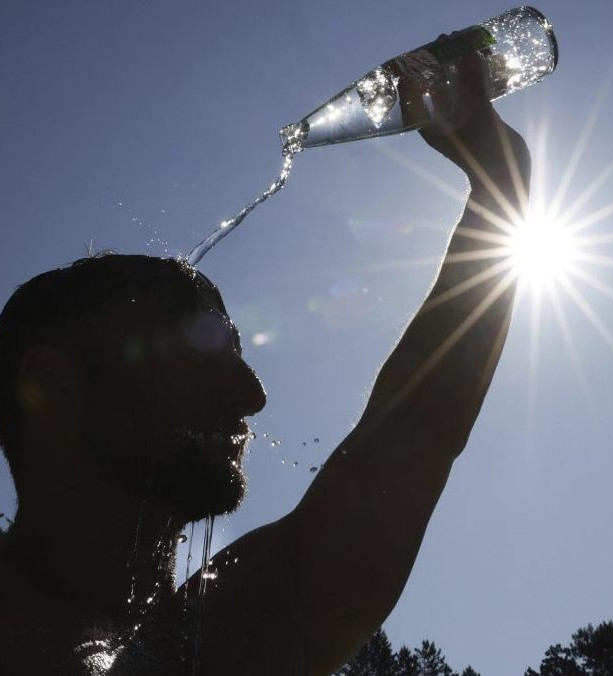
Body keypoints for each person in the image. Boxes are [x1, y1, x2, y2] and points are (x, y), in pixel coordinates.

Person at [0, 51, 531, 675]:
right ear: (51, 385)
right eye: (199, 349)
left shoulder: (235, 632)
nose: (253, 395)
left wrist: (501, 182)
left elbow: (418, 431)